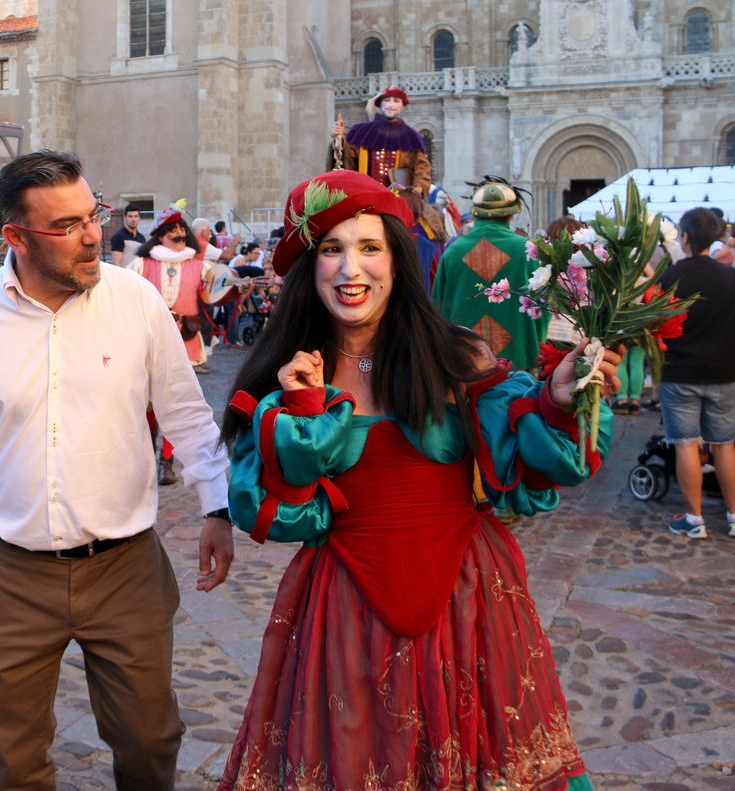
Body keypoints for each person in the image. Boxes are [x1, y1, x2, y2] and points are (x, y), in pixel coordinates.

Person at [217, 170, 620, 791]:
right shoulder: (286, 376)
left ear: (398, 261)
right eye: (332, 249)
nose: (352, 269)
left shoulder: (459, 357)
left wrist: (558, 402)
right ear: (309, 267)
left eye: (369, 247)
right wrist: (301, 414)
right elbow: (272, 511)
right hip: (344, 603)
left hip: (469, 594)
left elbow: (524, 475)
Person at [0, 150, 233, 791]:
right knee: (14, 757)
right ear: (15, 236)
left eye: (94, 215)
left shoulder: (138, 300)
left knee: (150, 742)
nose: (92, 234)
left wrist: (217, 506)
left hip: (125, 569)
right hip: (10, 573)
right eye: (66, 226)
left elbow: (186, 414)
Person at [659, 207, 735, 540]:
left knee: (686, 444)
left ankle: (694, 518)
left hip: (681, 372)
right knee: (724, 445)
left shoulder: (672, 276)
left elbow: (657, 322)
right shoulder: (730, 276)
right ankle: (733, 516)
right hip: (724, 372)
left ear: (685, 237)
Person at [129, 207, 212, 483]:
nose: (178, 236)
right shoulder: (141, 265)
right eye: (171, 232)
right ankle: (150, 454)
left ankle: (167, 461)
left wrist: (233, 288)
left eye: (181, 232)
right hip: (147, 340)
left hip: (185, 339)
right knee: (147, 402)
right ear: (160, 236)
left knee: (175, 402)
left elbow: (213, 295)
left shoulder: (201, 266)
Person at [432, 178, 549, 371]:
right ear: (512, 213)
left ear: (476, 212)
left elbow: (437, 309)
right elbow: (544, 312)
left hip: (464, 368)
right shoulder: (528, 251)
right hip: (519, 370)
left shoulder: (453, 252)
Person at [329, 86, 431, 198]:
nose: (391, 105)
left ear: (402, 106)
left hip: (398, 199)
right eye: (387, 100)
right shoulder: (360, 131)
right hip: (363, 195)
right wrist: (339, 140)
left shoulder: (412, 137)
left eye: (396, 101)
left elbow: (422, 171)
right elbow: (346, 161)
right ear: (380, 105)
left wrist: (416, 191)